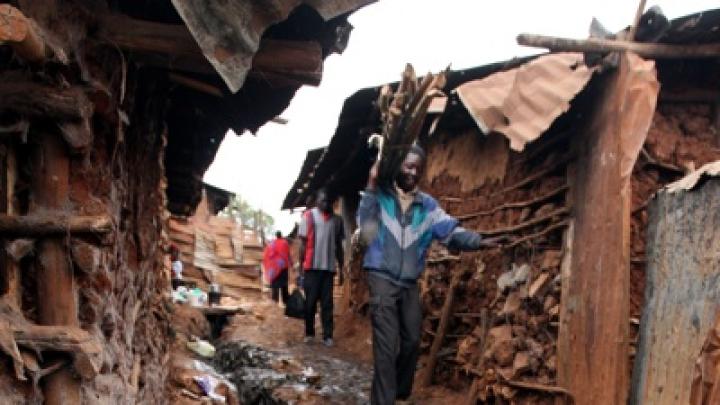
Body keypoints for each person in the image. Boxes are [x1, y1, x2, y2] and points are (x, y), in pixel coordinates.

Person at [358, 144, 504, 404]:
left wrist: (478, 240)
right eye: (408, 165)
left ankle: (400, 395)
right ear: (397, 166)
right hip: (381, 277)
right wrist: (371, 182)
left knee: (413, 341)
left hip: (409, 282)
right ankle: (383, 401)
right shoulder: (381, 196)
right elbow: (365, 225)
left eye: (418, 168)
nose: (413, 172)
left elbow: (450, 231)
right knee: (386, 347)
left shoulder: (427, 206)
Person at [298, 188, 344, 347]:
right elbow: (303, 244)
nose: (326, 204)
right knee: (310, 303)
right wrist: (300, 268)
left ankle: (328, 335)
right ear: (317, 201)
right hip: (311, 267)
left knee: (327, 304)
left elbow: (339, 246)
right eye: (323, 201)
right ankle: (309, 333)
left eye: (328, 201)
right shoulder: (308, 216)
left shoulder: (337, 221)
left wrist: (342, 267)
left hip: (328, 269)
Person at [262, 231, 291, 305]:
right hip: (283, 266)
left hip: (274, 268)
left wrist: (269, 265)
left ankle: (275, 300)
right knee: (284, 284)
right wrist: (291, 263)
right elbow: (288, 254)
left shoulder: (271, 244)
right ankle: (285, 301)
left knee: (275, 284)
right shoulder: (285, 243)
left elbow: (266, 255)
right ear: (281, 235)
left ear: (276, 236)